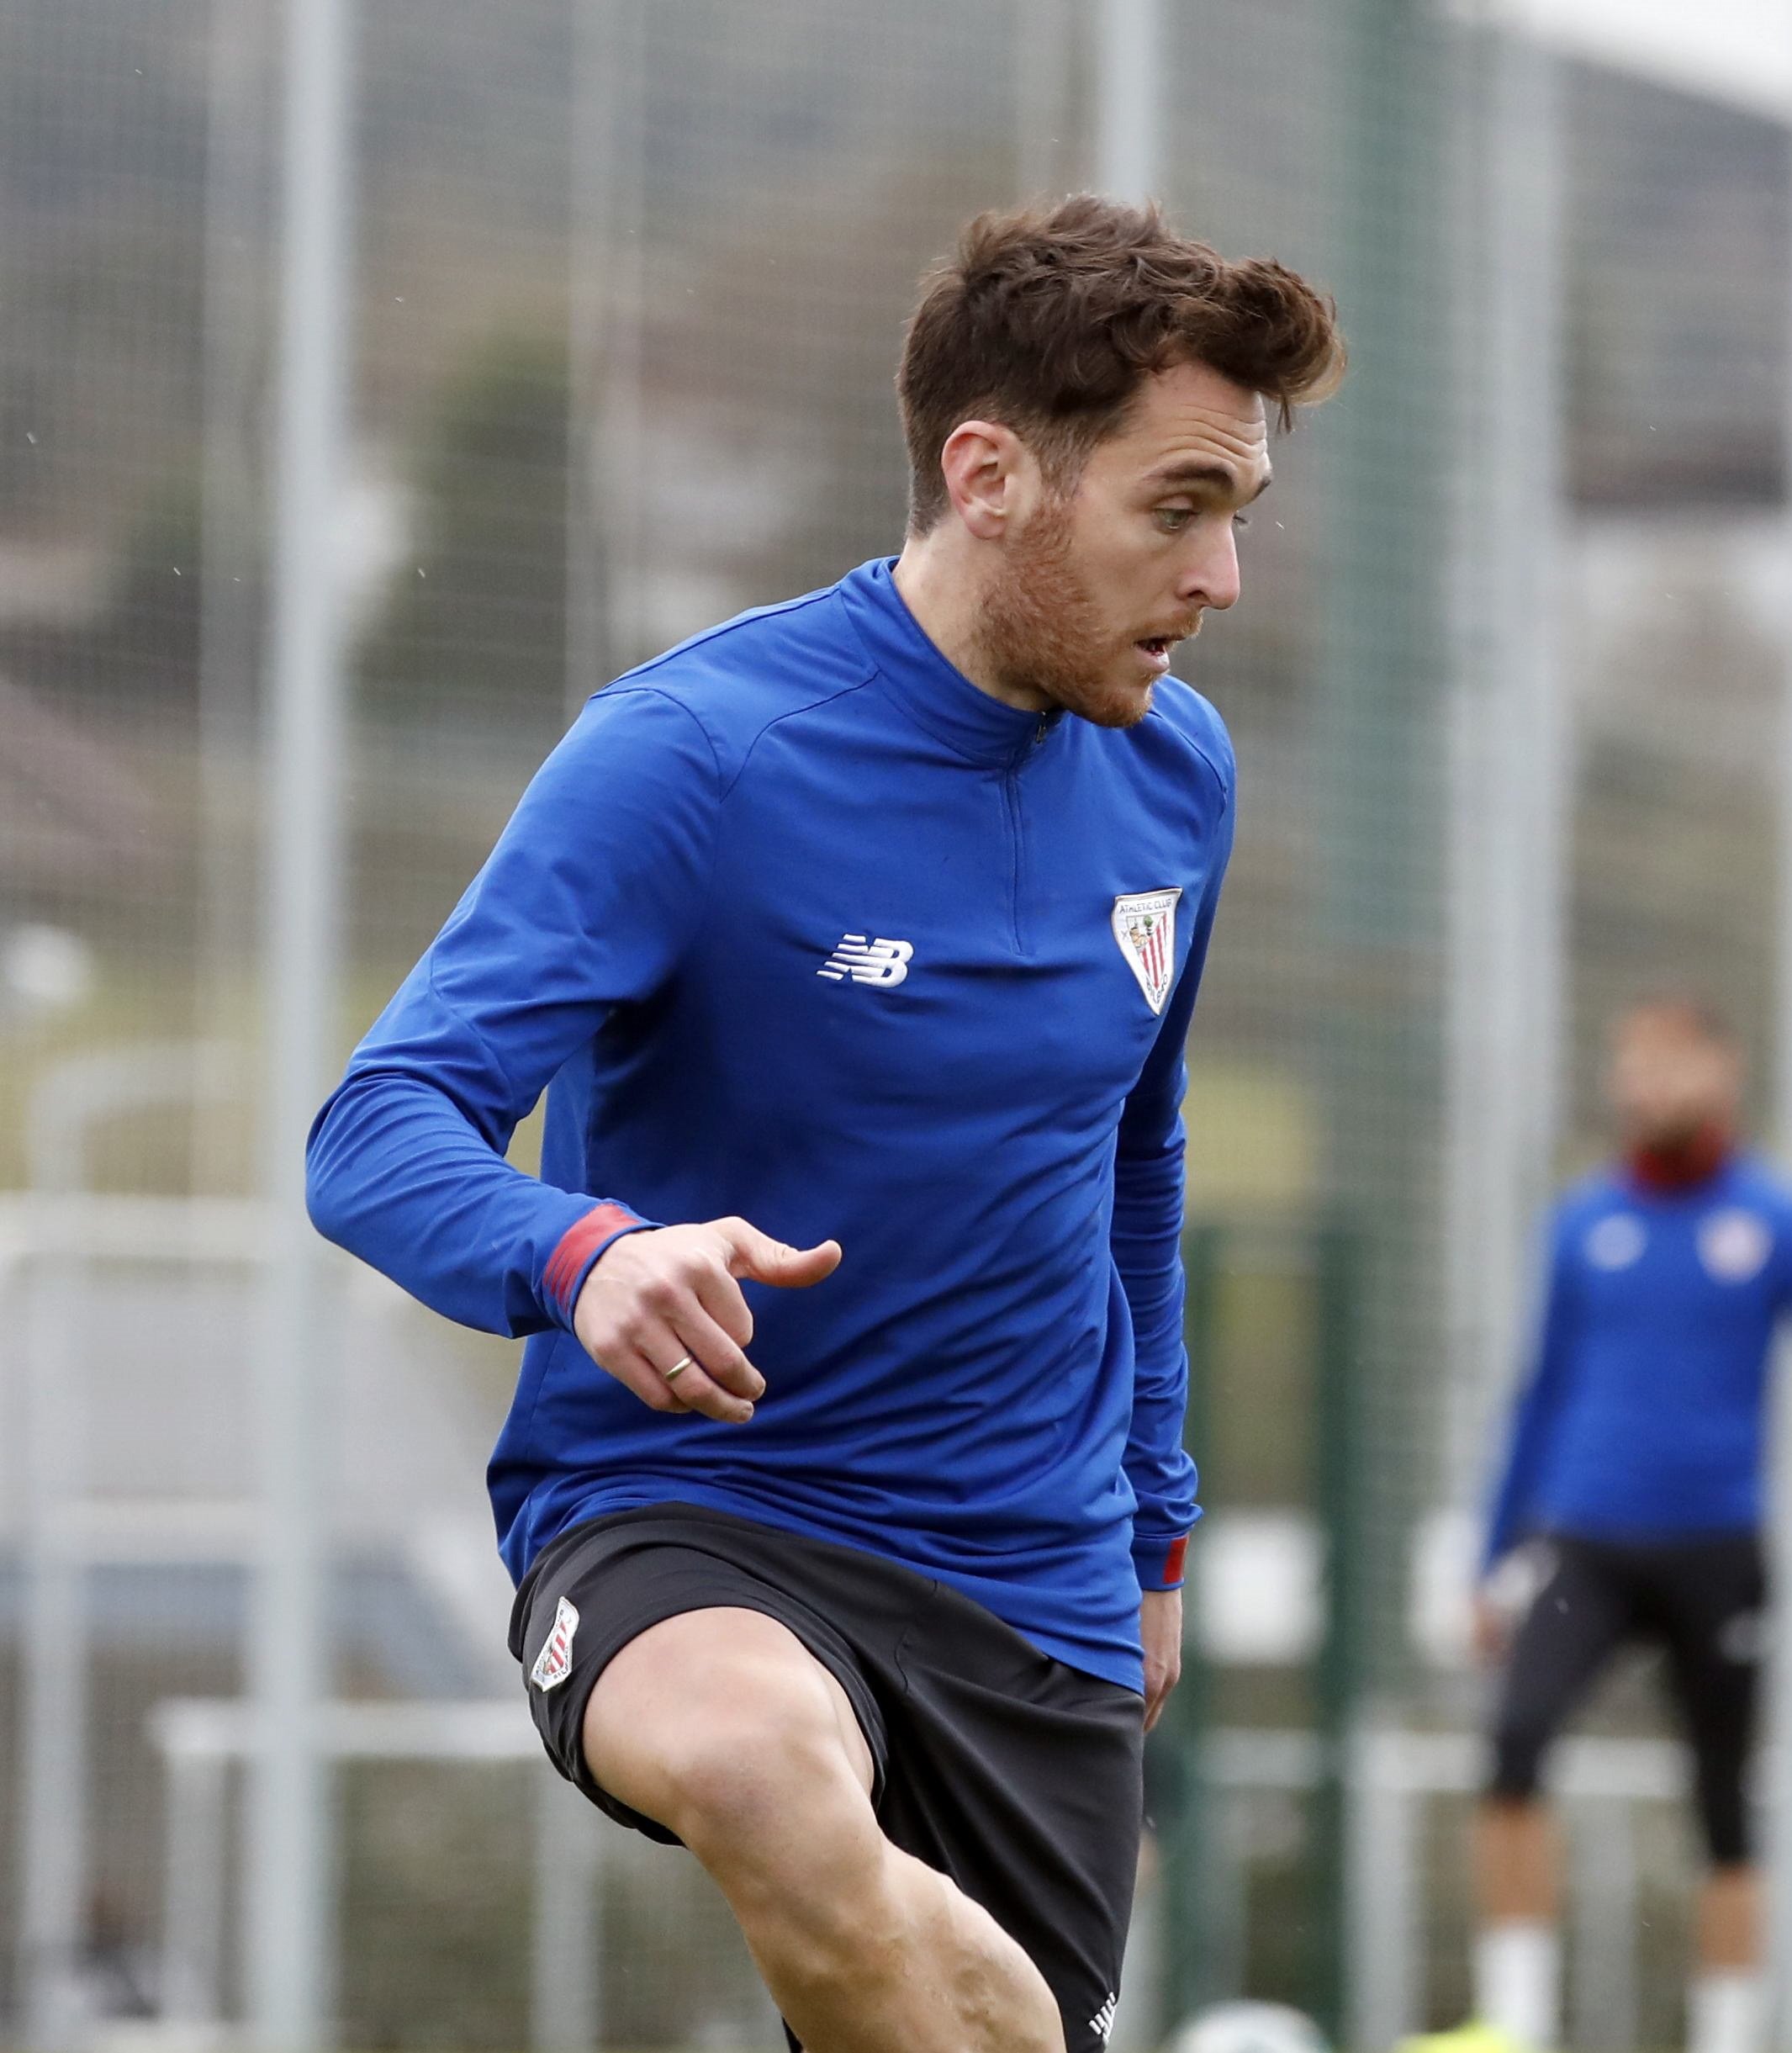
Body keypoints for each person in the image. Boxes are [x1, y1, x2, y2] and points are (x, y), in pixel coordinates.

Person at [305, 197, 1342, 2053]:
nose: (1221, 579)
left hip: (1038, 1575)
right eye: (1177, 509)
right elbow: (376, 1125)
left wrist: (1157, 1538)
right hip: (698, 1510)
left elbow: (1134, 1156)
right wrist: (587, 1253)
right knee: (761, 1764)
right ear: (992, 472)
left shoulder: (1179, 772)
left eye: (1237, 520)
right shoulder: (696, 753)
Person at [1461, 997, 1792, 2053]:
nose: (1647, 1085)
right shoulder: (1582, 1222)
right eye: (1631, 1063)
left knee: (1722, 1804)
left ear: (1725, 1070)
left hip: (1718, 1550)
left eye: (1671, 1063)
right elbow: (1538, 1396)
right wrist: (1489, 1562)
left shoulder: (1778, 1220)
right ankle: (1513, 2025)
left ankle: (1728, 2033)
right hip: (1587, 1541)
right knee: (1513, 1741)